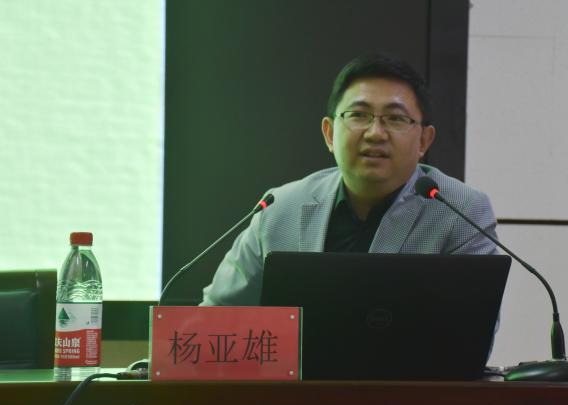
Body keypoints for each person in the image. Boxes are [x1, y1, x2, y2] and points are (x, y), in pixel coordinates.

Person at [201, 54, 497, 305]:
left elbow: (470, 332)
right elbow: (215, 316)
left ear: (424, 140)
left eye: (395, 118)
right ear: (329, 134)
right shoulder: (280, 208)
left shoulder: (461, 212)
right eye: (359, 115)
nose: (375, 133)